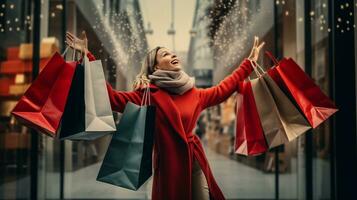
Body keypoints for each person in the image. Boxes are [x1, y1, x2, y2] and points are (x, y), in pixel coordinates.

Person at [65, 31, 264, 200]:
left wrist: (248, 63)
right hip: (169, 166)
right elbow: (110, 97)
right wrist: (88, 57)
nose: (172, 54)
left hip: (195, 160)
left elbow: (224, 88)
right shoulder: (146, 95)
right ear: (157, 67)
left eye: (172, 52)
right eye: (165, 54)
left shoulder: (194, 93)